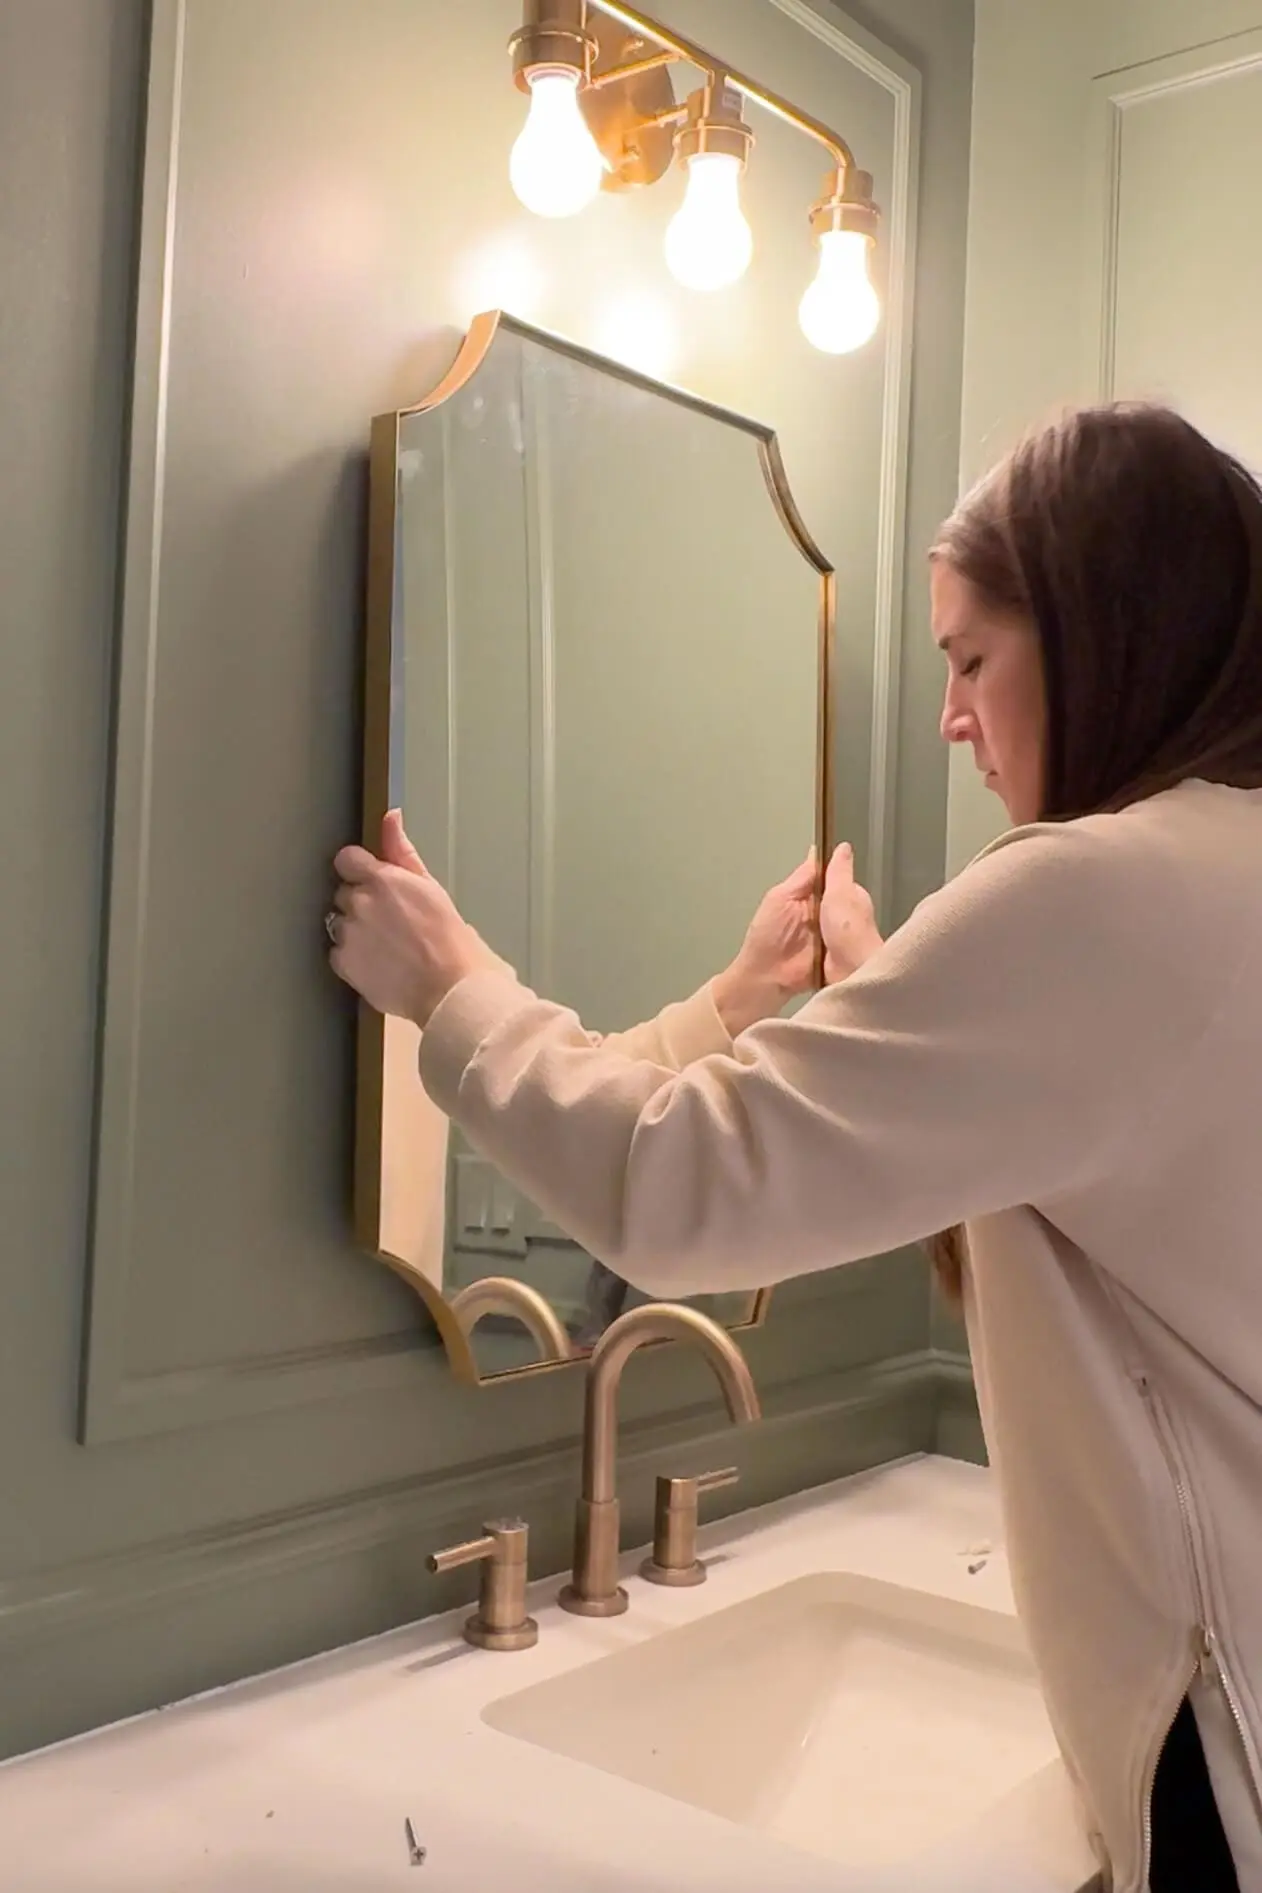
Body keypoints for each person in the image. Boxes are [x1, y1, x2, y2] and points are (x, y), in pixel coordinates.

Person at [327, 403, 1262, 1893]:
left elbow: (675, 1187)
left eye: (969, 659)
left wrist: (449, 986)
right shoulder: (1221, 872)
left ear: (1102, 630)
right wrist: (828, 992)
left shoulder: (1097, 890)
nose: (949, 715)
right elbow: (1083, 1190)